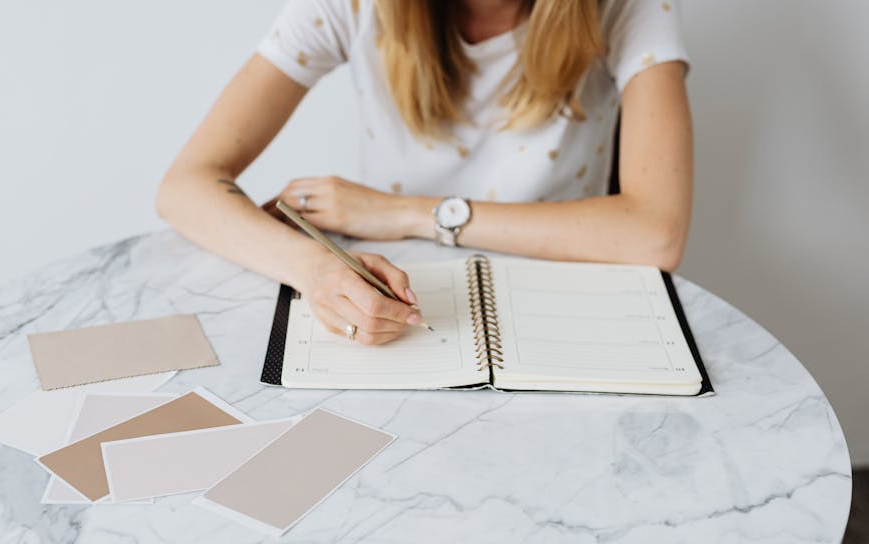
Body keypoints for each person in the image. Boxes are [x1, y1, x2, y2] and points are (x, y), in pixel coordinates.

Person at [156, 0, 692, 346]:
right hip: (401, 302)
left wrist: (404, 213)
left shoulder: (627, 9)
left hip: (563, 308)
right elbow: (186, 185)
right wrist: (316, 270)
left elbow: (656, 233)